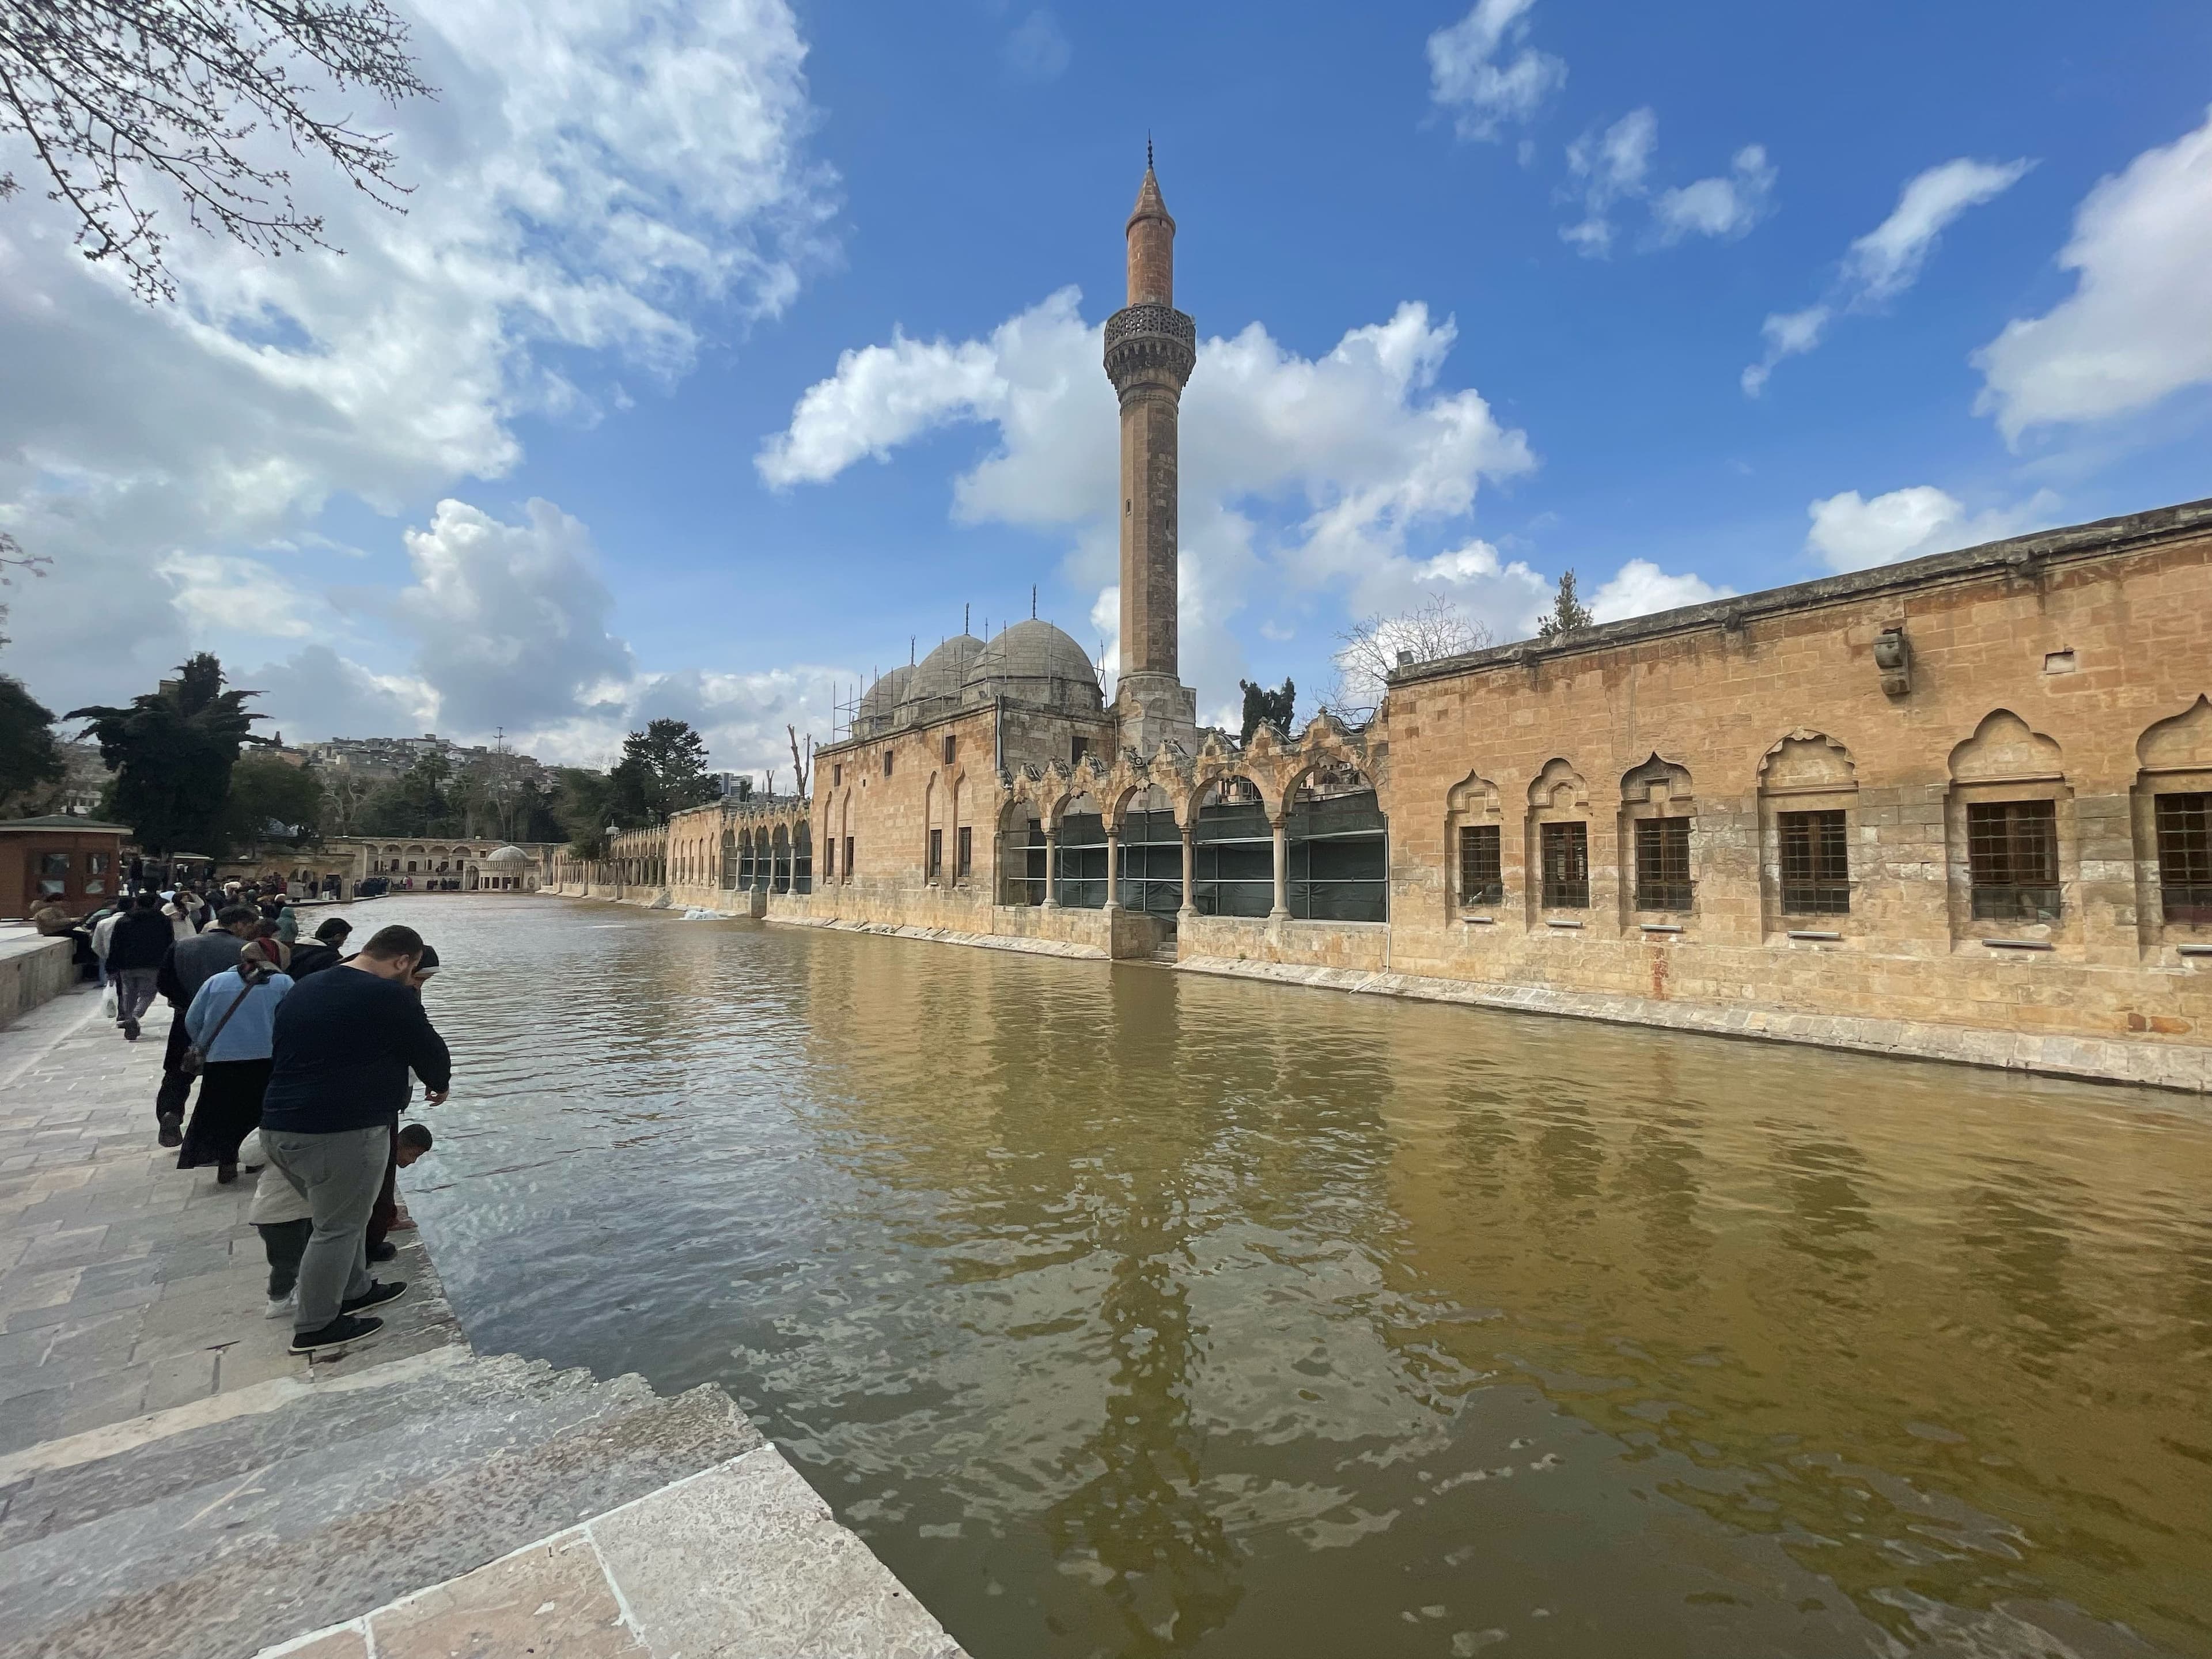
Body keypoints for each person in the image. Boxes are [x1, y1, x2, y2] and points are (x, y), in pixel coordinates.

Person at [260, 923, 449, 1356]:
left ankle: (357, 1288)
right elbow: (429, 1048)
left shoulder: (306, 986)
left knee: (337, 1219)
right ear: (403, 961)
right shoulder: (389, 994)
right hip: (338, 1131)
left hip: (278, 1126)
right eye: (413, 969)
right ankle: (316, 1325)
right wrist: (439, 1082)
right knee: (337, 1228)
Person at [178, 942, 293, 1182]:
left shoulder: (216, 982)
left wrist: (204, 1044)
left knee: (222, 1111)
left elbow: (192, 1020)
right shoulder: (283, 983)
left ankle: (226, 1161)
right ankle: (255, 1160)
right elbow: (294, 1020)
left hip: (221, 1061)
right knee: (259, 1111)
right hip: (267, 1059)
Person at [152, 903, 259, 1143]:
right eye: (250, 925)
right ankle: (218, 1134)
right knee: (224, 1076)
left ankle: (170, 1113)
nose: (251, 931)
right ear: (239, 924)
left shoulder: (181, 945)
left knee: (177, 1072)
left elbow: (163, 983)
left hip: (185, 1017)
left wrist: (186, 1002)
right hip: (231, 1022)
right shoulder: (247, 950)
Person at [238, 1128, 312, 1321]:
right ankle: (278, 1298)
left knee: (305, 1253)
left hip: (304, 1207)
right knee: (286, 1260)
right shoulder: (275, 1129)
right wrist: (270, 1130)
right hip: (275, 1213)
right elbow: (248, 1155)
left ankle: (300, 1291)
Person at [106, 891, 173, 1041]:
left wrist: (111, 967)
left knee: (129, 993)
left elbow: (115, 945)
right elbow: (169, 943)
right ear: (155, 904)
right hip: (152, 963)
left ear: (137, 903)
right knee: (148, 994)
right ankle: (134, 1017)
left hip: (127, 964)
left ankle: (129, 1016)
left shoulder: (124, 920)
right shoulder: (162, 920)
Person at [366, 1123, 434, 1262]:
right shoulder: (383, 1161)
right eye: (413, 1155)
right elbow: (381, 1196)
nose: (414, 1161)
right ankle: (367, 1250)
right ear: (399, 1144)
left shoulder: (384, 1148)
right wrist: (390, 1221)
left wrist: (392, 1212)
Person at [285, 916, 353, 979]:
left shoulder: (293, 948)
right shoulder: (332, 958)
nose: (342, 944)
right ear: (337, 937)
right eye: (344, 939)